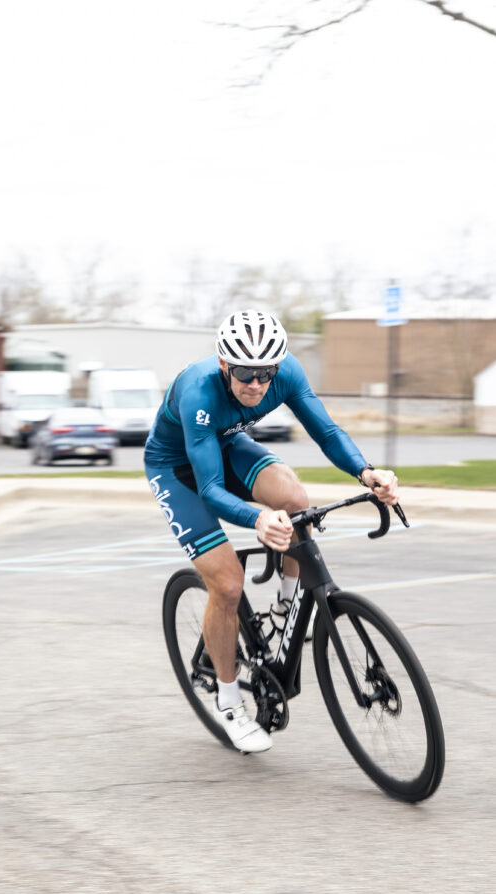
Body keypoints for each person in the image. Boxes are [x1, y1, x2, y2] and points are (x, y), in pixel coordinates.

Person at [144, 309, 398, 754]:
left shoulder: (285, 373)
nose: (257, 384)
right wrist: (257, 519)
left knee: (297, 502)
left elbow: (326, 431)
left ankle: (285, 607)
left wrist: (367, 473)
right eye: (245, 373)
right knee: (226, 583)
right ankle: (228, 703)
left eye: (265, 373)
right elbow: (210, 488)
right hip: (180, 470)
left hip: (226, 447)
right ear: (224, 364)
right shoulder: (199, 392)